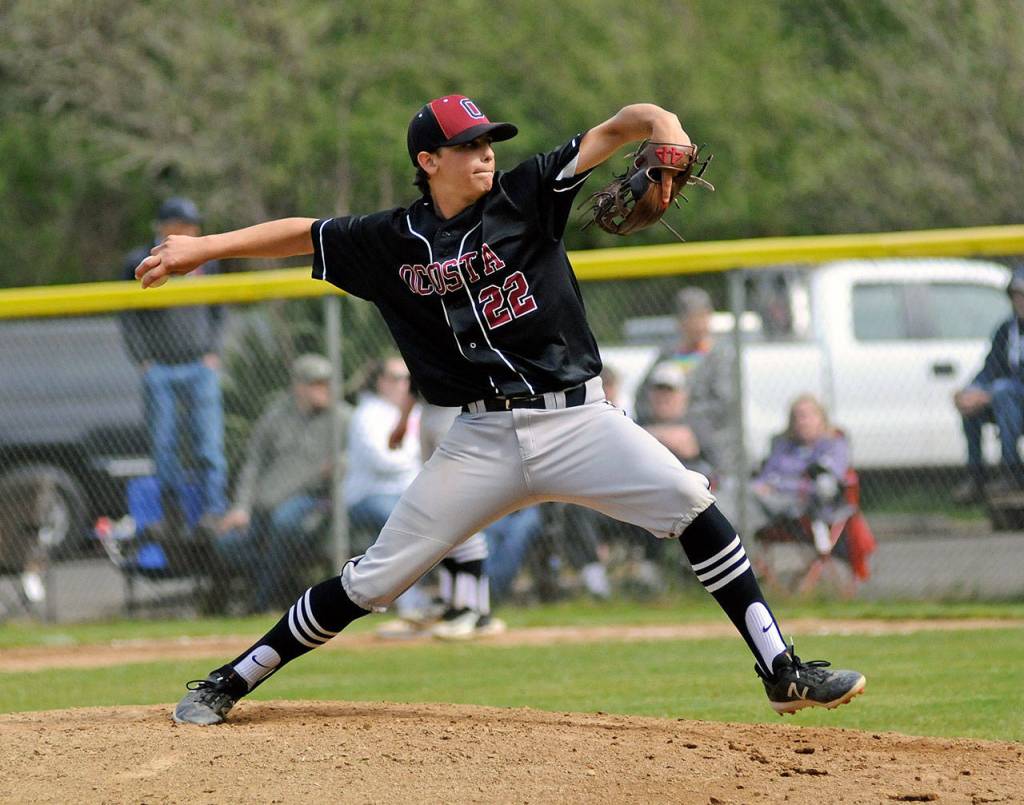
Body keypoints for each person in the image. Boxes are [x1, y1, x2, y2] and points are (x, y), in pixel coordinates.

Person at [134, 94, 865, 724]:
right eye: (468, 145)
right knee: (374, 580)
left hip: (578, 421)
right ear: (429, 160)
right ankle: (232, 678)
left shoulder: (528, 193)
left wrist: (665, 125)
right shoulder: (392, 240)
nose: (485, 154)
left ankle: (782, 668)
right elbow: (304, 232)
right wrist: (204, 248)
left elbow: (622, 126)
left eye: (488, 142)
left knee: (690, 501)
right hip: (480, 435)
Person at [118, 197, 228, 535]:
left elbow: (220, 309)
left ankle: (214, 513)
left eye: (194, 226)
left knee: (209, 445)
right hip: (160, 368)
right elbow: (126, 314)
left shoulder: (205, 260)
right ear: (167, 227)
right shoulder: (141, 260)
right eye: (184, 225)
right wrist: (143, 361)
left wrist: (213, 351)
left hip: (199, 365)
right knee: (164, 447)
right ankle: (173, 517)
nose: (192, 231)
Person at [215, 354, 350, 613]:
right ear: (298, 386)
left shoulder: (343, 418)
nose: (324, 389)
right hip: (263, 505)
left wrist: (342, 463)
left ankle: (260, 603)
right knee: (227, 544)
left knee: (284, 521)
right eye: (316, 383)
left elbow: (360, 456)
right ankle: (288, 584)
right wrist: (241, 506)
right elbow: (252, 464)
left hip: (314, 501)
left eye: (327, 383)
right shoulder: (275, 415)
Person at [952, 266, 1024, 502]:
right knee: (972, 405)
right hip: (1007, 402)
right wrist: (972, 391)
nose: (1020, 300)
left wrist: (990, 393)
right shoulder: (1007, 329)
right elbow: (989, 369)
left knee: (1003, 392)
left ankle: (1012, 472)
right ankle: (977, 477)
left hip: (1011, 397)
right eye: (1016, 294)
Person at [751, 394, 851, 551]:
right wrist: (762, 486)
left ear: (821, 418)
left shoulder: (833, 445)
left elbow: (826, 485)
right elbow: (763, 478)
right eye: (797, 417)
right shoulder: (782, 445)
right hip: (768, 504)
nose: (802, 421)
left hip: (808, 507)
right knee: (742, 498)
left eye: (808, 416)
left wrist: (779, 485)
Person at [634, 287, 715, 423]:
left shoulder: (719, 357)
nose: (698, 324)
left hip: (702, 437)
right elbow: (642, 397)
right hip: (662, 430)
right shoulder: (668, 355)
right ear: (680, 321)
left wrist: (682, 415)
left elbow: (723, 406)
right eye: (691, 317)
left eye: (701, 316)